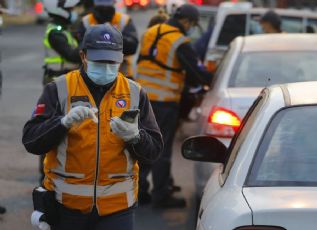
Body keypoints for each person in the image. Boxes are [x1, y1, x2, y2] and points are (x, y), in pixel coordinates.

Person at [22, 24, 163, 230]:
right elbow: (31, 141)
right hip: (66, 207)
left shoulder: (134, 93)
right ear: (83, 56)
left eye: (111, 61)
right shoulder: (58, 89)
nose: (106, 67)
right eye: (99, 61)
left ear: (121, 58)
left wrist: (136, 137)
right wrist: (62, 123)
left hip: (118, 209)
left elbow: (154, 152)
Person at [135, 4, 211, 208]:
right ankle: (160, 196)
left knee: (143, 146)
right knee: (161, 149)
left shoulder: (151, 32)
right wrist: (213, 80)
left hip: (141, 99)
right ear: (186, 21)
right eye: (193, 24)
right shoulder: (180, 41)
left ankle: (138, 190)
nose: (192, 28)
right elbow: (196, 72)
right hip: (164, 101)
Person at [39, 0, 82, 186]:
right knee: (51, 127)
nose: (73, 12)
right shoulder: (55, 32)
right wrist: (88, 45)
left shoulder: (64, 28)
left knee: (66, 127)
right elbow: (71, 55)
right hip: (55, 84)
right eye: (69, 9)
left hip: (65, 82)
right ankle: (45, 175)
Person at [77, 0, 138, 78]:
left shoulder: (123, 20)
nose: (104, 9)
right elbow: (80, 48)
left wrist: (111, 35)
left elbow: (132, 47)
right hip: (92, 74)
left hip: (122, 72)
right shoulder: (86, 21)